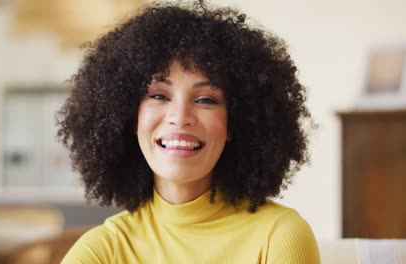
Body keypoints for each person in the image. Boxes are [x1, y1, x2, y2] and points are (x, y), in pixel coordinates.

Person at [57, 0, 320, 263]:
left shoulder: (279, 236)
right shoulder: (103, 249)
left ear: (235, 123)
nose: (180, 118)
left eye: (206, 99)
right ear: (130, 116)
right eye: (159, 95)